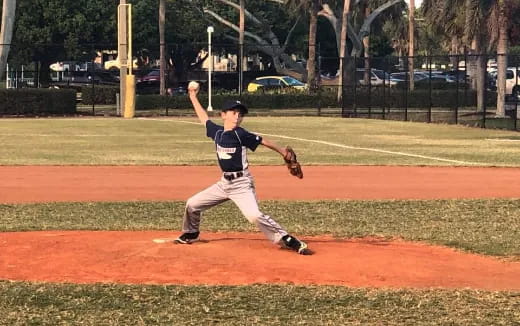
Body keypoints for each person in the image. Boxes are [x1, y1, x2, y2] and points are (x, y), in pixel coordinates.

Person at [174, 82, 312, 255]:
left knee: (254, 215)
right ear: (223, 115)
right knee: (192, 204)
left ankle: (286, 239)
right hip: (224, 184)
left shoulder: (241, 133)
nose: (237, 116)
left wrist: (283, 151)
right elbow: (203, 118)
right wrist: (192, 96)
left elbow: (262, 140)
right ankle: (191, 232)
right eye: (234, 112)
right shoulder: (216, 132)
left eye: (240, 114)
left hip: (241, 184)